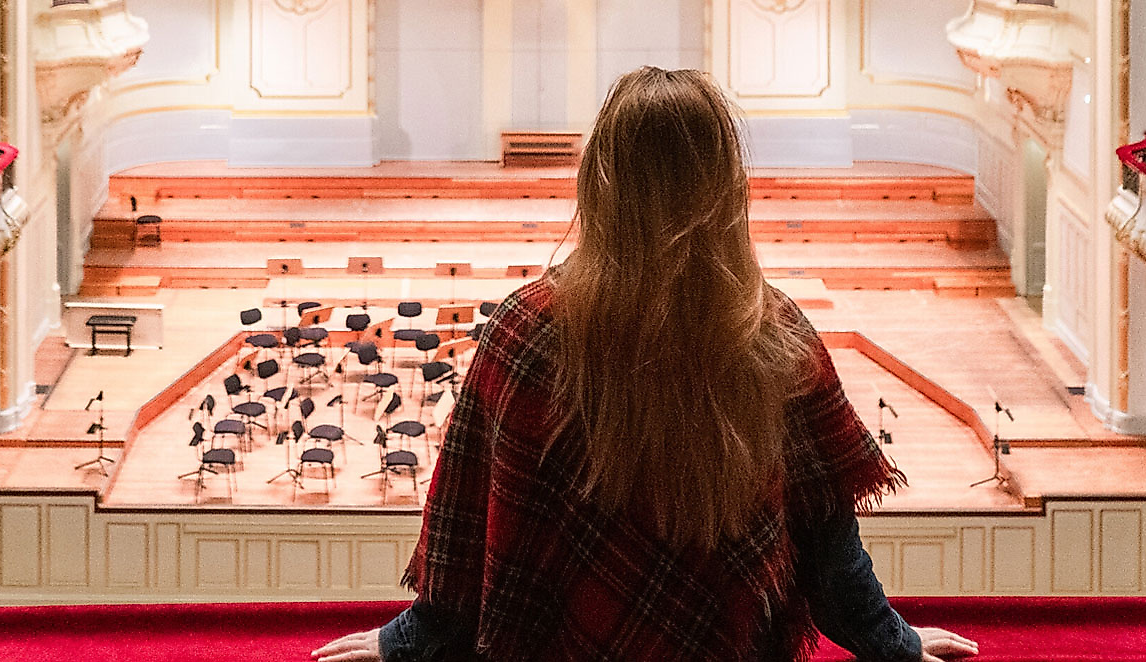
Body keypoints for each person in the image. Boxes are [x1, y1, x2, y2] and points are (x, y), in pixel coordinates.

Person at [313, 68, 977, 662]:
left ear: (600, 184)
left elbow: (466, 547)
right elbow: (830, 552)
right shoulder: (775, 335)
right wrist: (894, 646)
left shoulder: (525, 332)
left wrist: (407, 642)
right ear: (728, 188)